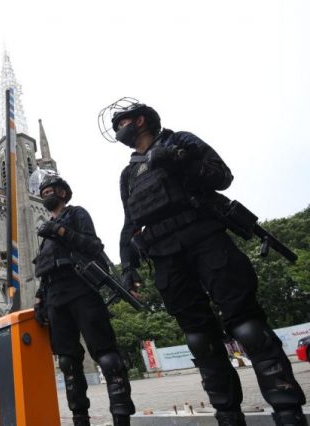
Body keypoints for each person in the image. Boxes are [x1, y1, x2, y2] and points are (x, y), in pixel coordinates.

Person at [104, 98, 307, 426]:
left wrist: (176, 160)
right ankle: (227, 416)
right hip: (165, 256)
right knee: (199, 339)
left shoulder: (179, 140)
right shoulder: (128, 174)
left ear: (140, 120)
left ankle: (288, 413)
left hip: (205, 238)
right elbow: (130, 223)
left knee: (247, 327)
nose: (118, 130)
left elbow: (221, 176)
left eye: (121, 123)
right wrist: (128, 268)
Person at [33, 174, 135, 426]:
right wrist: (39, 299)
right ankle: (80, 418)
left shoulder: (77, 214)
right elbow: (45, 268)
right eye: (43, 193)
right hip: (55, 296)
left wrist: (61, 231)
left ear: (63, 193)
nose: (46, 195)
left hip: (81, 287)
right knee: (67, 361)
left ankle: (121, 417)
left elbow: (93, 246)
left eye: (50, 191)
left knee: (106, 354)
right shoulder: (45, 234)